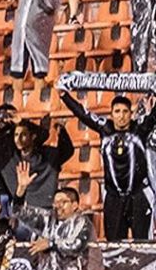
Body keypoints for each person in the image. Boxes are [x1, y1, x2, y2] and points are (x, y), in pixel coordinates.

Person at [59, 89, 156, 240]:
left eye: (125, 112)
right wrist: (64, 96)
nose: (121, 116)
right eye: (117, 111)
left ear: (131, 114)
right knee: (113, 243)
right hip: (113, 197)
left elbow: (154, 115)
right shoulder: (105, 128)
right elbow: (83, 114)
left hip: (139, 196)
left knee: (143, 242)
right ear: (111, 114)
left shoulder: (140, 128)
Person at [0, 120, 73, 211]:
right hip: (23, 210)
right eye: (16, 135)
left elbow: (67, 151)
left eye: (24, 134)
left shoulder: (49, 155)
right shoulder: (9, 160)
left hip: (47, 210)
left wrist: (61, 130)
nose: (18, 139)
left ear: (33, 136)